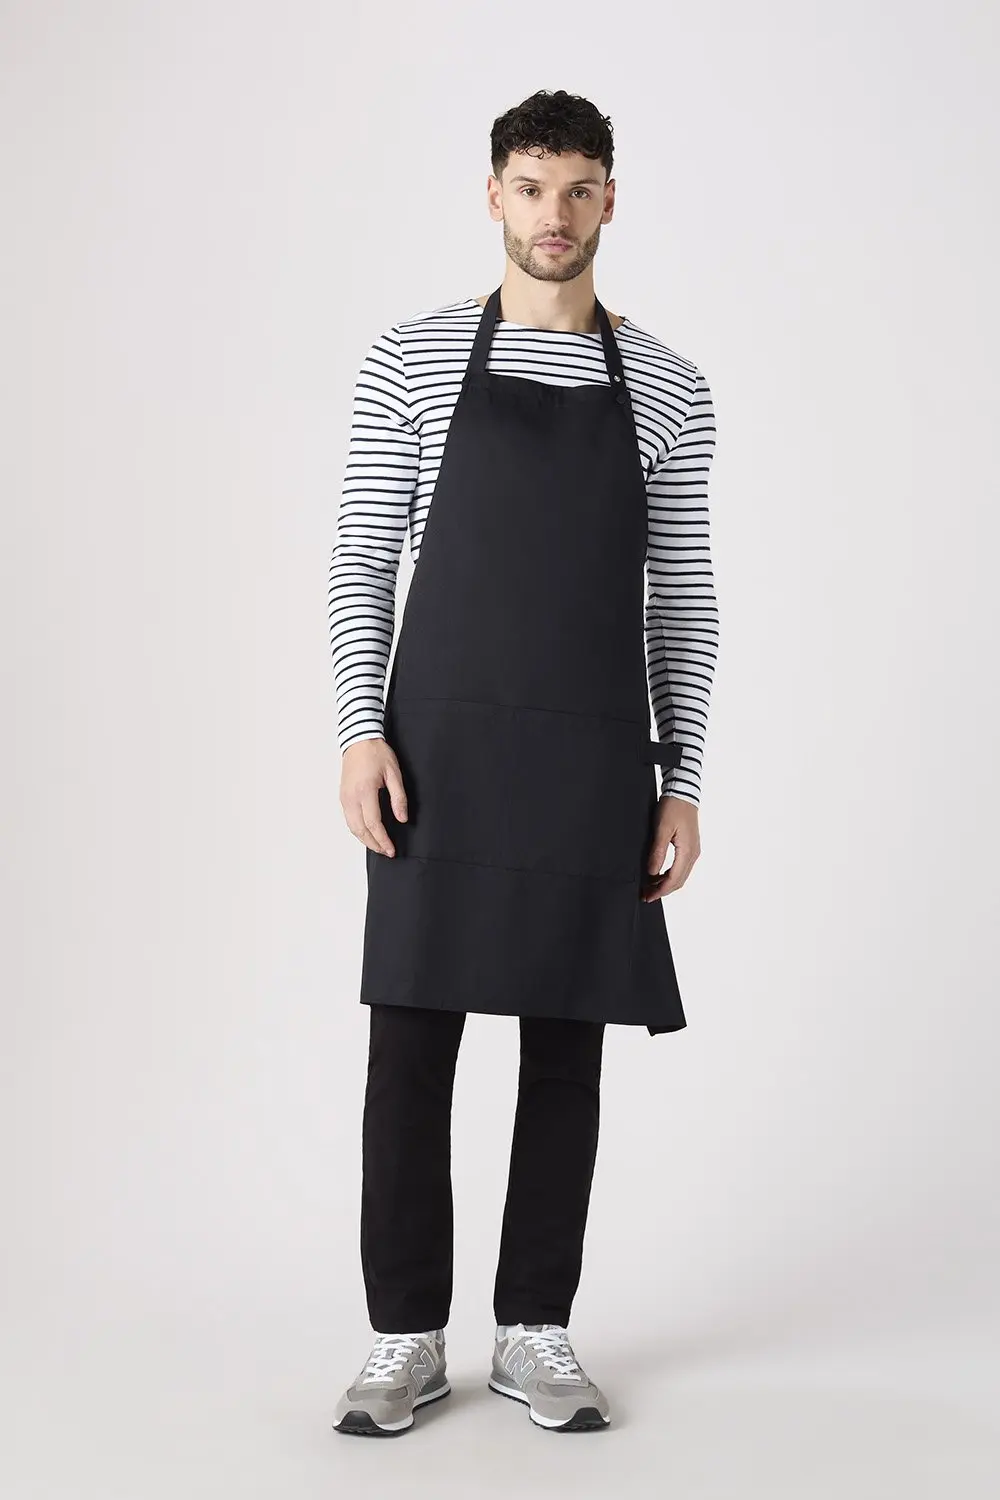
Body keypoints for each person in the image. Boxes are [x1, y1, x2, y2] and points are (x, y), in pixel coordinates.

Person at [327, 88, 719, 1436]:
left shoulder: (669, 385)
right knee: (410, 1045)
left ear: (612, 200)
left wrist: (682, 777)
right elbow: (364, 555)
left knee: (568, 1046)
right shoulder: (413, 358)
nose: (556, 214)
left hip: (593, 760)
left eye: (579, 188)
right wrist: (359, 729)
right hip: (436, 751)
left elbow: (683, 601)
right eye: (532, 187)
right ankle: (402, 1337)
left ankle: (535, 1329)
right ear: (493, 195)